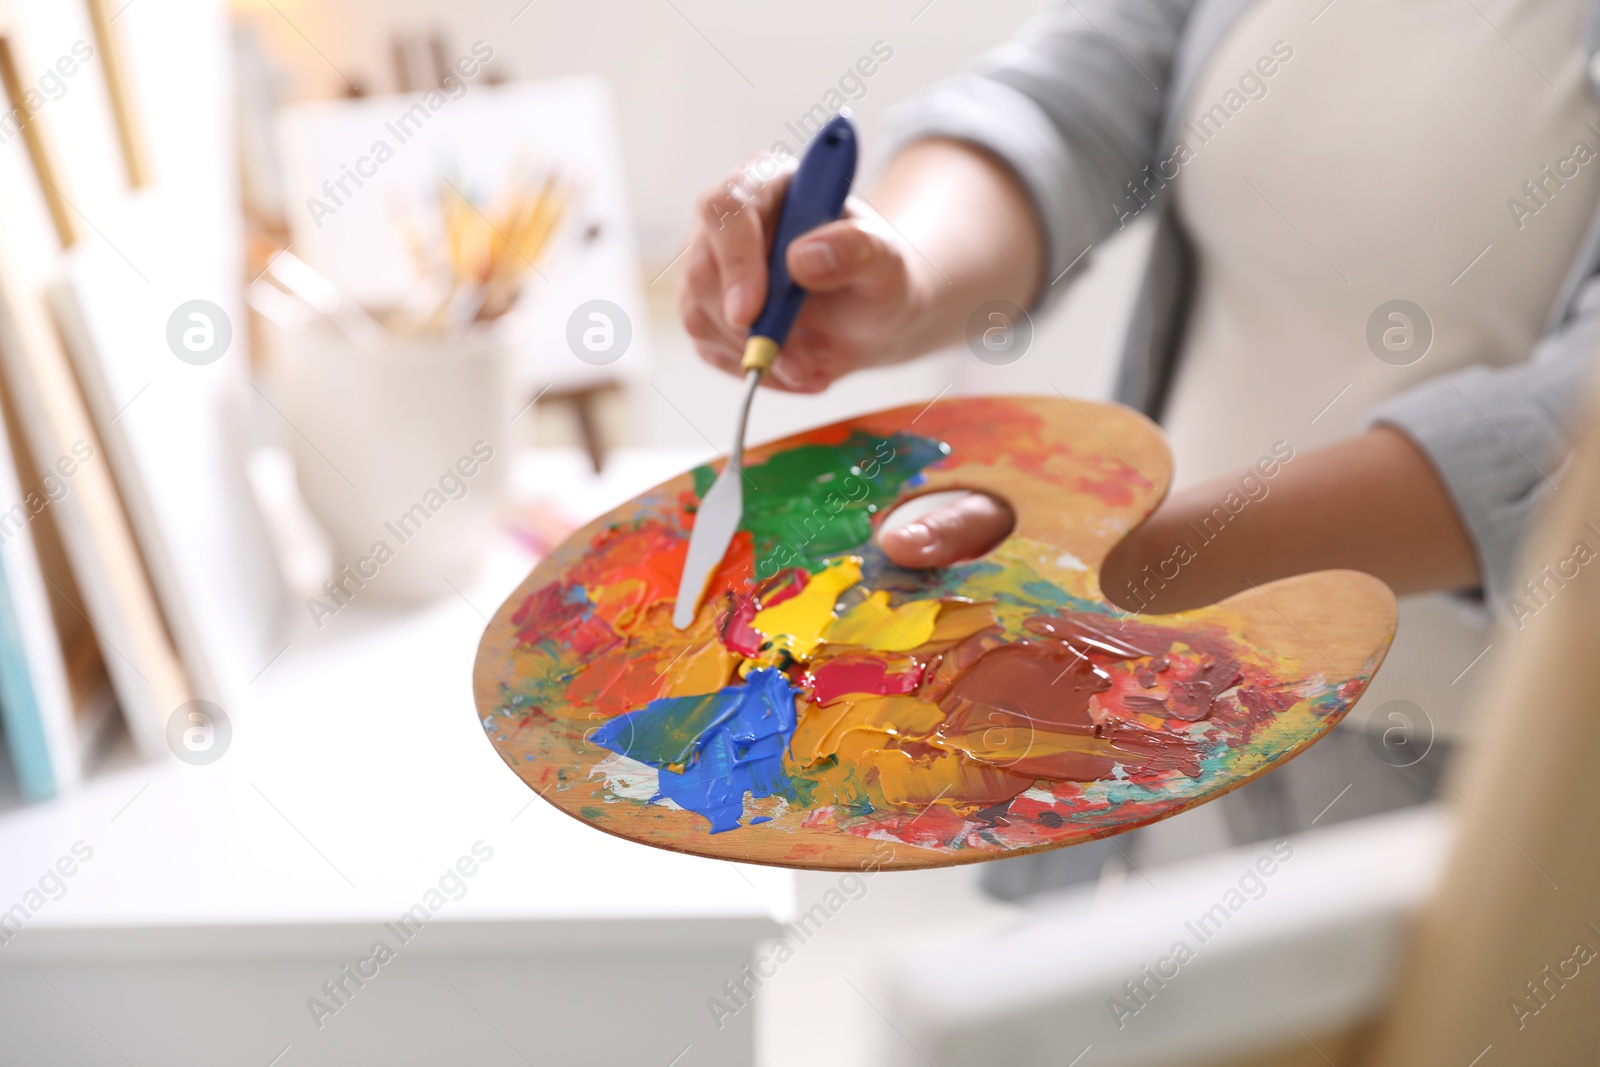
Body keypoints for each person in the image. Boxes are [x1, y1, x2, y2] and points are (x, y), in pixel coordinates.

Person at [677, 0, 1600, 889]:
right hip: (1177, 711)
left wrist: (1115, 566)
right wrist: (897, 267)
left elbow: (1573, 420)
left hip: (1481, 781)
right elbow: (1070, 101)